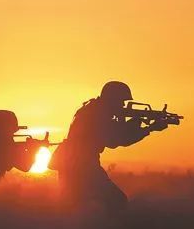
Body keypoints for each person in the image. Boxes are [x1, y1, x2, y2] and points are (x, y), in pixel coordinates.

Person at [49, 81, 169, 212]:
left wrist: (135, 123)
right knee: (116, 200)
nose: (122, 105)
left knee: (73, 204)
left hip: (72, 162)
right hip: (82, 164)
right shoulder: (97, 114)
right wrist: (149, 128)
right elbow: (115, 139)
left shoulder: (93, 109)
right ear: (112, 99)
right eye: (121, 101)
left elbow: (114, 131)